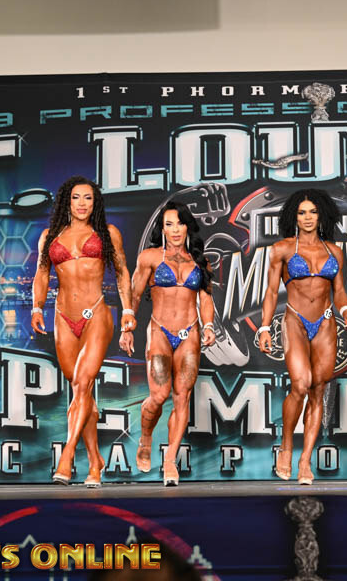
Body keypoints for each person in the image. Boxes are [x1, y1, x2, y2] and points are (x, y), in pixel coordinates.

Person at [31, 176, 133, 487]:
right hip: (63, 317)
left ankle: (67, 455)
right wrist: (36, 308)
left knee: (82, 384)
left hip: (97, 314)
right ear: (67, 201)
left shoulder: (107, 233)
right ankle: (95, 462)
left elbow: (122, 272)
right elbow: (42, 273)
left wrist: (128, 311)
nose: (82, 204)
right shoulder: (50, 236)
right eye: (76, 197)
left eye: (88, 198)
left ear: (95, 202)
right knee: (81, 392)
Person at [258, 189, 347, 485]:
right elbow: (270, 291)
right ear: (294, 217)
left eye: (313, 212)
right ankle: (287, 447)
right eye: (301, 213)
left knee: (317, 390)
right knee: (300, 384)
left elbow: (339, 290)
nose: (307, 218)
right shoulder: (282, 249)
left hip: (326, 323)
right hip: (295, 321)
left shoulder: (334, 251)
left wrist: (346, 310)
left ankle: (305, 460)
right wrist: (264, 328)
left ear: (322, 215)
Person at [124, 202, 216, 486]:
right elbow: (134, 295)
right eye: (169, 224)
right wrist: (127, 328)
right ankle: (146, 437)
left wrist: (209, 325)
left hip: (190, 332)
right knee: (159, 395)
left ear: (188, 226)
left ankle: (169, 461)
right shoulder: (150, 257)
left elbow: (206, 298)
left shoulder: (199, 261)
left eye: (180, 223)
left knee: (182, 396)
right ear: (162, 229)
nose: (175, 230)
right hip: (160, 331)